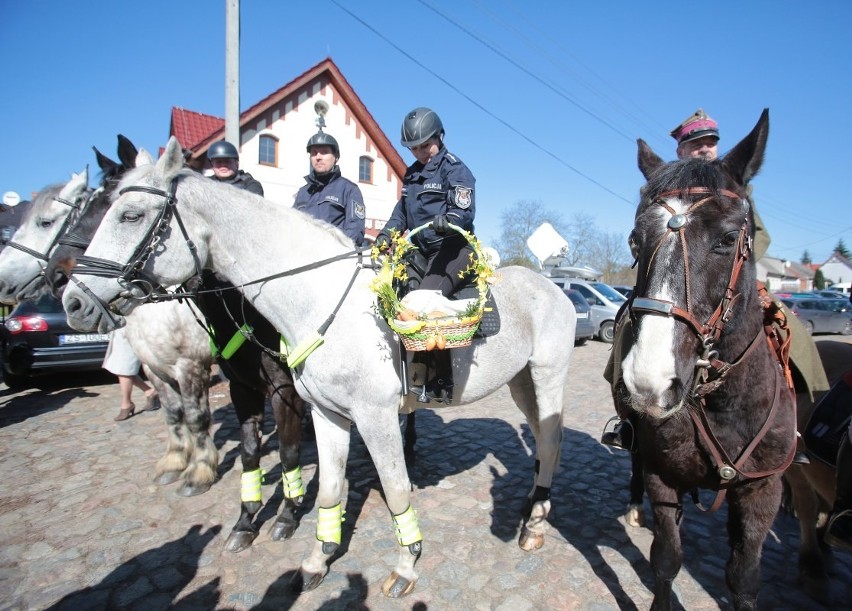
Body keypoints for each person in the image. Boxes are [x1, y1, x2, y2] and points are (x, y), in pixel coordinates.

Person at [601, 109, 830, 450]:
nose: (705, 150)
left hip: (730, 273)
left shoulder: (733, 184)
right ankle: (630, 418)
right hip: (672, 280)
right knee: (627, 328)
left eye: (710, 143)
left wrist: (737, 251)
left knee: (787, 327)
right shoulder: (660, 185)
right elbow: (647, 232)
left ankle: (795, 422)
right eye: (696, 144)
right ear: (680, 150)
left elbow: (760, 234)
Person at [375, 107, 476, 403]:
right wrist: (387, 235)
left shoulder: (456, 169)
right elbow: (401, 214)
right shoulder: (412, 175)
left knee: (423, 302)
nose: (420, 152)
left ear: (440, 137)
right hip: (421, 252)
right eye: (413, 148)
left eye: (424, 145)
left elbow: (464, 210)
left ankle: (440, 379)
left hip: (454, 249)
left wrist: (452, 219)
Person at [293, 130, 366, 246]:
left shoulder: (349, 190)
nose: (318, 157)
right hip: (302, 257)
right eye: (314, 153)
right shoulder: (303, 192)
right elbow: (292, 226)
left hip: (333, 259)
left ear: (336, 157)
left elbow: (355, 231)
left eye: (324, 152)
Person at [103, 328, 159, 421]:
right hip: (121, 327)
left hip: (130, 326)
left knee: (124, 368)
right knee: (121, 367)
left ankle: (126, 403)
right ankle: (149, 392)